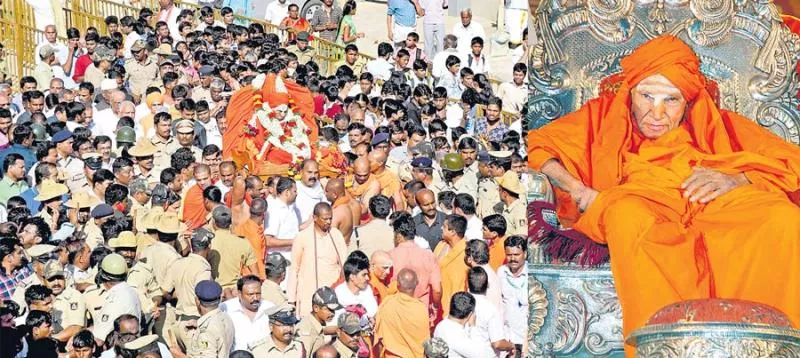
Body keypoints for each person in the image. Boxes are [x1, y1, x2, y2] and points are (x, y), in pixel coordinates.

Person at [526, 35, 800, 353]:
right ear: (630, 93)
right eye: (646, 96)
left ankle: (766, 348)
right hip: (643, 205)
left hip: (714, 207)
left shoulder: (717, 123)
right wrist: (578, 189)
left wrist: (738, 179)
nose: (656, 113)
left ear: (687, 101)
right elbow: (536, 145)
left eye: (671, 100)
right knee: (626, 216)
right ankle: (662, 348)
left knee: (781, 218)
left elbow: (790, 161)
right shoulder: (601, 116)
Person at [287, 202, 347, 316]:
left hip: (332, 294)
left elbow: (344, 265)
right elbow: (294, 268)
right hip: (308, 295)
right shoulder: (302, 237)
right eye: (325, 219)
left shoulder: (336, 235)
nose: (328, 222)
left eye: (330, 218)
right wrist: (291, 300)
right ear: (314, 218)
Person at [374, 268, 429, 358]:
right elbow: (425, 341)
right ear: (417, 283)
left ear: (398, 285)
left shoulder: (387, 304)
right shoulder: (421, 309)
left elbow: (379, 337)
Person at [465, 267, 515, 357]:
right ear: (487, 285)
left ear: (467, 284)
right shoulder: (490, 309)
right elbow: (497, 343)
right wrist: (512, 346)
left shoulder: (461, 303)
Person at [220, 275, 275, 351]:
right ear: (239, 294)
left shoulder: (270, 308)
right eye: (250, 294)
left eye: (258, 293)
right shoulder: (226, 309)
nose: (255, 298)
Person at [182, 280, 234, 358]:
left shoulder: (206, 331)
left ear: (197, 301)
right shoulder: (225, 317)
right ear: (220, 299)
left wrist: (180, 355)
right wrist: (199, 323)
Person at [496, 236, 528, 356]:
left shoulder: (531, 274)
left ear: (524, 254)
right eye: (509, 255)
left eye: (516, 254)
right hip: (507, 338)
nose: (512, 259)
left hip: (526, 339)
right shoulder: (501, 272)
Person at [433, 214, 468, 315]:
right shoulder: (441, 245)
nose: (441, 228)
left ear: (453, 232)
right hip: (437, 302)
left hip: (457, 308)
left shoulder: (467, 253)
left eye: (444, 226)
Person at [432, 292, 484, 358]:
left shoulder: (440, 325)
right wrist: (473, 326)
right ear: (470, 314)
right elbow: (481, 354)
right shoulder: (457, 336)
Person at [296, 286, 342, 354]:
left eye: (333, 310)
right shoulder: (306, 330)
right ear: (316, 308)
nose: (332, 313)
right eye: (328, 309)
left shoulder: (319, 325)